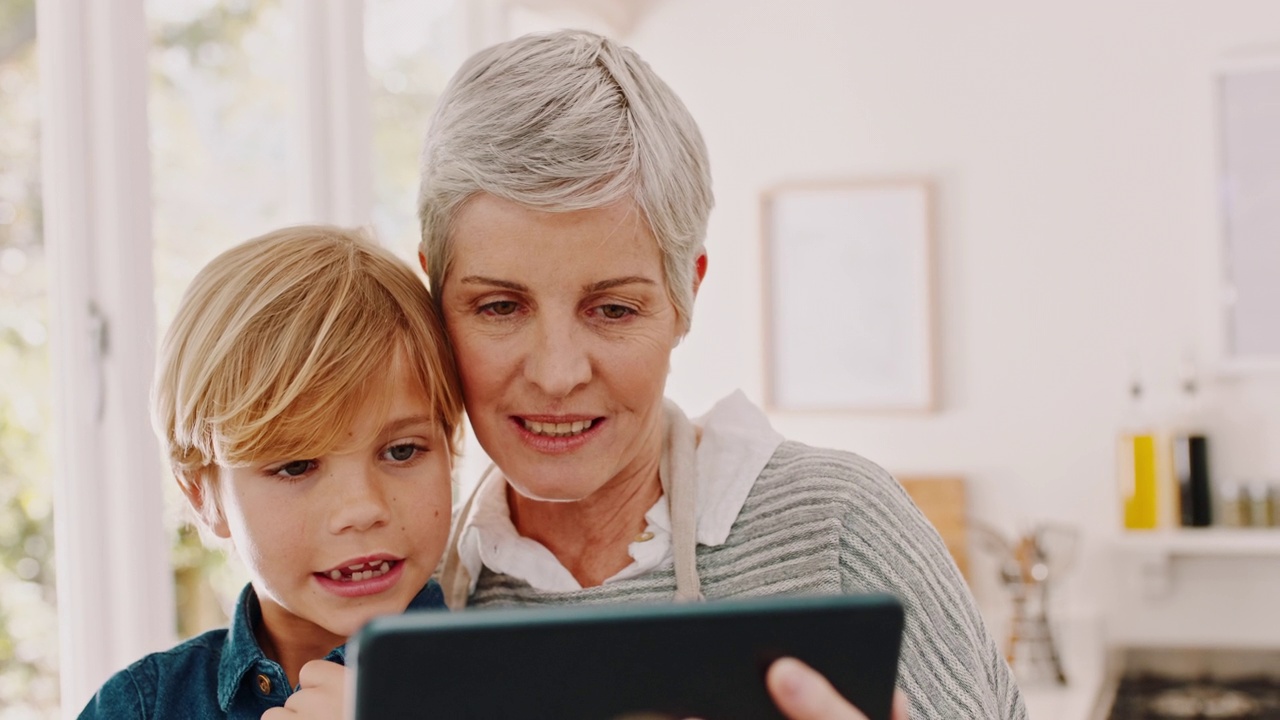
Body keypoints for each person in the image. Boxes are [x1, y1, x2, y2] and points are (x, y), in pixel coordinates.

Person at [417, 29, 1027, 719]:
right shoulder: (409, 590)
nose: (558, 374)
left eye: (613, 309)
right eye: (499, 306)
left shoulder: (840, 526)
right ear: (435, 299)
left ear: (686, 296)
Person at [77, 226, 464, 718]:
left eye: (403, 451)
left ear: (450, 447)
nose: (363, 508)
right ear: (202, 496)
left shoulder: (517, 686)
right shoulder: (142, 707)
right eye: (297, 465)